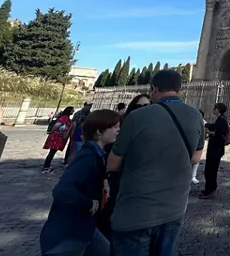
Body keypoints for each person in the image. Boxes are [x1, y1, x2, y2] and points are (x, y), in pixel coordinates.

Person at [107, 70, 206, 255]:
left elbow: (112, 163)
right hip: (174, 208)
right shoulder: (196, 116)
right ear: (180, 88)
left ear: (153, 88)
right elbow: (195, 158)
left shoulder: (137, 116)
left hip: (136, 210)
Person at [40, 109, 120, 256]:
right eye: (114, 127)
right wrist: (89, 203)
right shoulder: (87, 157)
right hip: (68, 230)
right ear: (98, 132)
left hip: (83, 226)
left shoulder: (97, 155)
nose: (118, 130)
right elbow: (62, 191)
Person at [97, 95, 151, 240]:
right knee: (111, 208)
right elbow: (107, 150)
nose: (143, 110)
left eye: (147, 106)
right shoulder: (123, 124)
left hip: (138, 177)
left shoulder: (153, 126)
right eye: (139, 106)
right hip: (117, 174)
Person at [200, 102, 229, 199]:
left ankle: (209, 190)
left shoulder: (221, 120)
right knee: (210, 170)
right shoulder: (221, 119)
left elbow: (217, 130)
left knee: (210, 171)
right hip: (216, 149)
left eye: (215, 108)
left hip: (216, 149)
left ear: (218, 109)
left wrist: (205, 124)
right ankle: (210, 188)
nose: (214, 110)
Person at [43, 107, 75, 173]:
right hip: (56, 137)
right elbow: (57, 125)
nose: (73, 111)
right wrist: (51, 131)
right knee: (52, 152)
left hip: (58, 137)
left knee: (52, 152)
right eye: (72, 110)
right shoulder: (64, 118)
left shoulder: (66, 118)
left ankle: (47, 166)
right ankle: (46, 167)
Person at [191, 108, 206, 185]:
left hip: (196, 145)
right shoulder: (192, 121)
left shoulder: (203, 122)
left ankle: (193, 176)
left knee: (195, 162)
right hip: (192, 143)